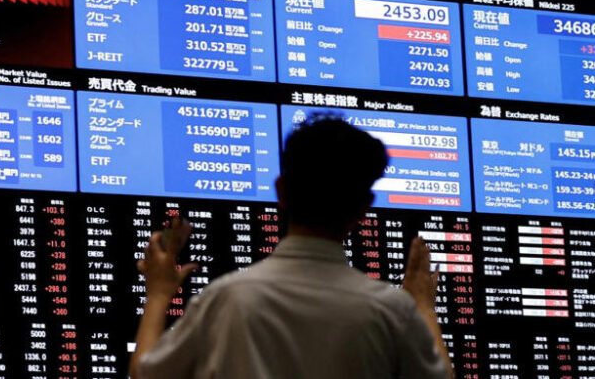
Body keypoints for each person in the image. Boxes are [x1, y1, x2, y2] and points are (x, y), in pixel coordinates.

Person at [129, 116, 455, 379]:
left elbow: (147, 374)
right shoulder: (391, 310)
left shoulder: (225, 300)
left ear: (281, 191)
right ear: (363, 209)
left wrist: (158, 293)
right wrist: (423, 305)